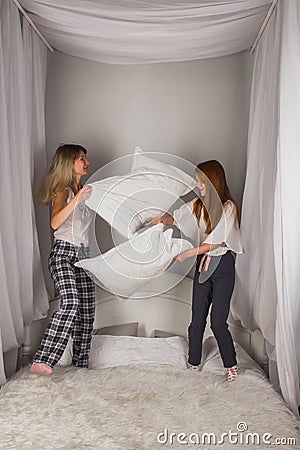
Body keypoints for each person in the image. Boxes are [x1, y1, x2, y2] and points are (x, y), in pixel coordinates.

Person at [153, 160, 243, 382]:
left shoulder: (228, 207)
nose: (198, 185)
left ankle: (231, 365)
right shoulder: (198, 204)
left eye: (201, 182)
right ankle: (194, 362)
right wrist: (163, 221)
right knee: (197, 319)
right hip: (203, 263)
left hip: (222, 266)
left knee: (218, 321)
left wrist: (188, 253)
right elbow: (177, 216)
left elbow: (216, 242)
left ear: (212, 182)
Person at [30, 143, 95, 375]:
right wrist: (77, 199)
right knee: (71, 302)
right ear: (70, 164)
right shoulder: (64, 191)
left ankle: (80, 365)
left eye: (86, 158)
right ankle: (43, 359)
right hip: (63, 254)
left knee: (87, 312)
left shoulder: (86, 191)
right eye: (81, 159)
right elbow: (55, 222)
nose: (86, 162)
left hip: (83, 256)